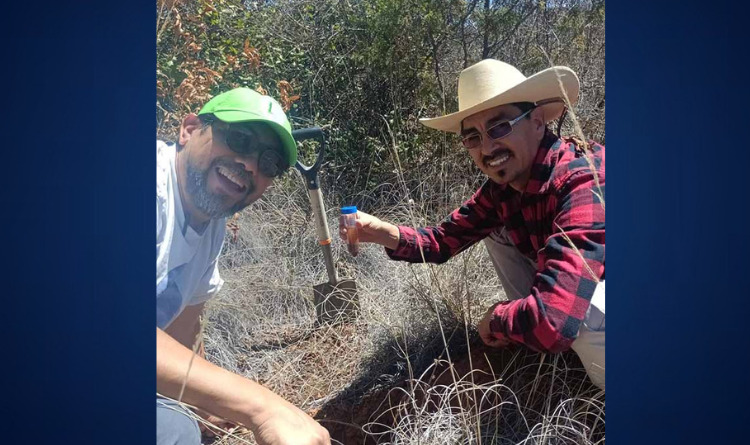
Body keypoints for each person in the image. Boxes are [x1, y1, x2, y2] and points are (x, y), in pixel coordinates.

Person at [338, 59, 606, 390]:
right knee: (497, 228)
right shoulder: (502, 191)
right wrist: (380, 232)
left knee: (591, 308)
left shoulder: (582, 180)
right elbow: (441, 241)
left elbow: (555, 319)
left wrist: (498, 317)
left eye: (499, 127)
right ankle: (551, 354)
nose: (488, 147)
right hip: (563, 317)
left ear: (537, 122)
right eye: (473, 137)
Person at [157, 87, 331, 444]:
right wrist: (262, 407)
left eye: (269, 163)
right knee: (174, 433)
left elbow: (184, 329)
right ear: (189, 129)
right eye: (239, 138)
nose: (250, 164)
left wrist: (204, 402)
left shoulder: (210, 224)